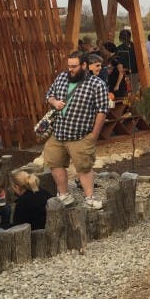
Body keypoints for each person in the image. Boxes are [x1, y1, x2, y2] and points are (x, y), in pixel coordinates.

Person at [44, 50, 108, 209]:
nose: (70, 69)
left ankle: (90, 198)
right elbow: (49, 95)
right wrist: (54, 102)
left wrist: (94, 135)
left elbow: (102, 110)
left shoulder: (96, 84)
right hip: (58, 133)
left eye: (74, 66)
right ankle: (64, 195)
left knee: (84, 167)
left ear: (84, 65)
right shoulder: (61, 77)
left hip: (81, 135)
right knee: (54, 163)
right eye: (69, 66)